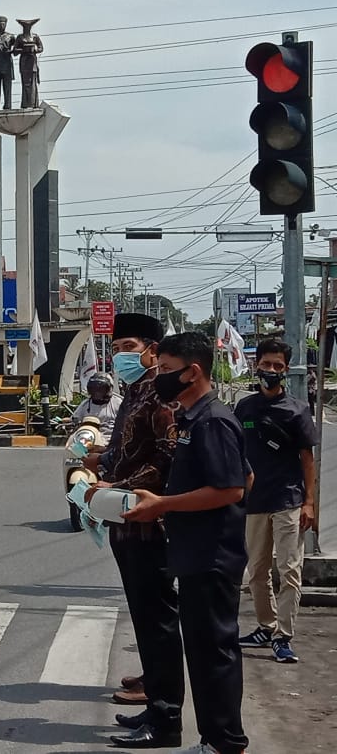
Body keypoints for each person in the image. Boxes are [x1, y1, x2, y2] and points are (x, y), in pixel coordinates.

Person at [123, 331, 251, 754]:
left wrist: (163, 505)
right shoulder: (196, 419)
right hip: (196, 552)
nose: (158, 378)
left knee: (213, 654)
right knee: (201, 651)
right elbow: (245, 476)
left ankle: (224, 742)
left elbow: (232, 488)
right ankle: (215, 738)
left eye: (165, 371)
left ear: (193, 372)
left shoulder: (211, 420)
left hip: (212, 555)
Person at [82, 314, 183, 749]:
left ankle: (166, 721)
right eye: (117, 346)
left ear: (151, 350)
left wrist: (116, 485)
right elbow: (128, 450)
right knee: (143, 616)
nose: (120, 354)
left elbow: (165, 459)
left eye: (128, 346)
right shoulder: (134, 393)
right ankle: (155, 702)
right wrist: (101, 460)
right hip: (126, 517)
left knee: (158, 618)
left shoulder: (160, 397)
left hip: (149, 518)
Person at [234, 337, 317, 664]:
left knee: (290, 570)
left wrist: (309, 502)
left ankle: (284, 636)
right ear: (257, 366)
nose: (271, 370)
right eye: (266, 364)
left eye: (277, 366)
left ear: (285, 370)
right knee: (256, 572)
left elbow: (307, 459)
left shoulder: (297, 410)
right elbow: (236, 453)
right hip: (254, 502)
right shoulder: (244, 408)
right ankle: (266, 627)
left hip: (288, 500)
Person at [72, 372, 123, 444]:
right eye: (94, 389)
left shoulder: (118, 402)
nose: (97, 392)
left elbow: (127, 418)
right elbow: (75, 418)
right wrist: (68, 422)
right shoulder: (85, 404)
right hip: (90, 440)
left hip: (112, 442)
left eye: (101, 389)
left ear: (109, 389)